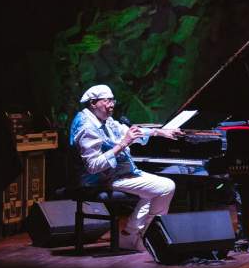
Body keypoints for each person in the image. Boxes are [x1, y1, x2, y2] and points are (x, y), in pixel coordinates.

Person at [70, 84, 183, 251]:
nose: (112, 104)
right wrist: (123, 144)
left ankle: (131, 236)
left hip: (120, 174)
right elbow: (93, 167)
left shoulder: (105, 120)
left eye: (113, 100)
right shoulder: (87, 127)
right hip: (99, 180)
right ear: (93, 103)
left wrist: (160, 132)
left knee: (155, 190)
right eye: (107, 100)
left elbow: (130, 131)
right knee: (166, 187)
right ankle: (147, 235)